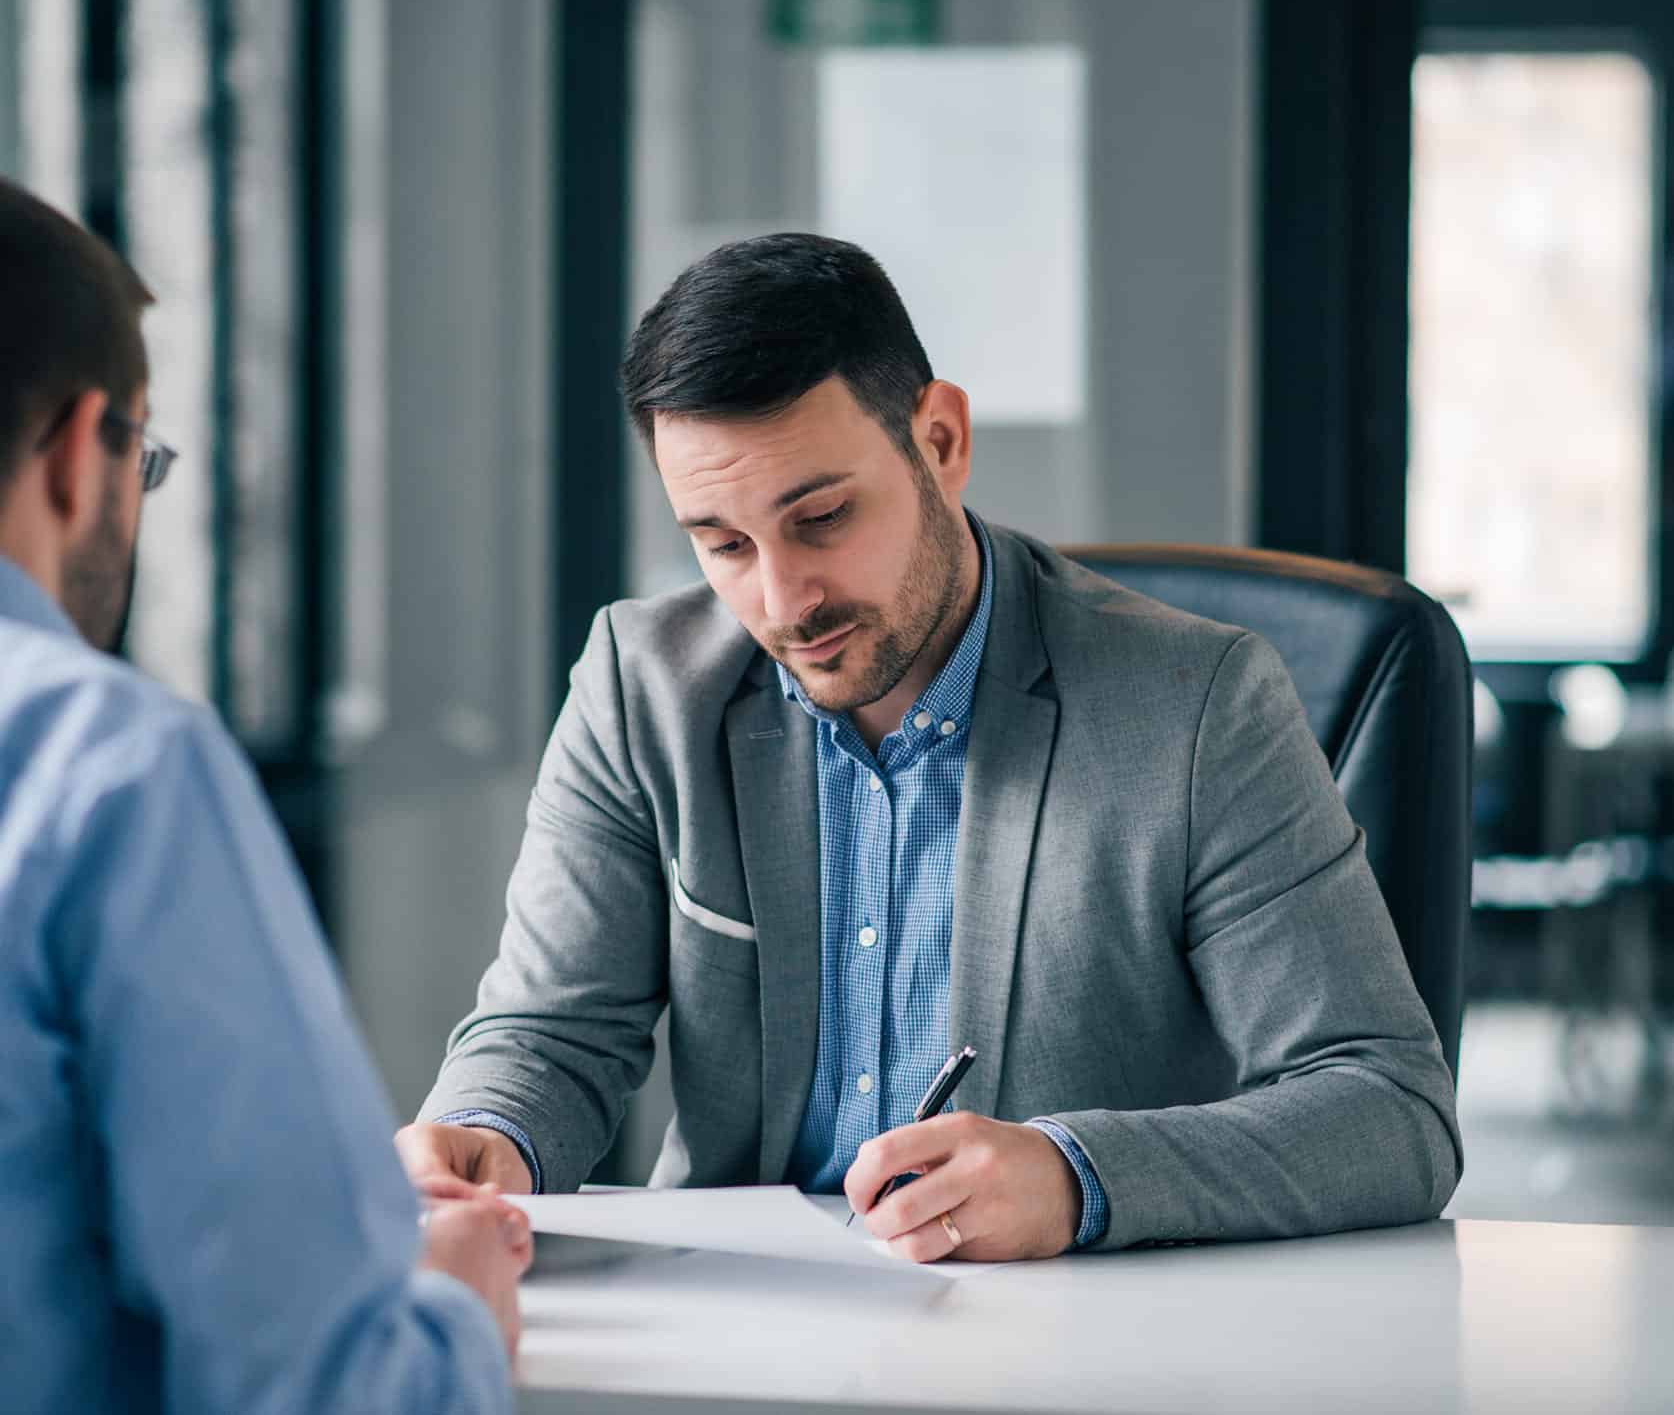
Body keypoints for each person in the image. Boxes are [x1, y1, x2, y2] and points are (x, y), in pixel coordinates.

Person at [399, 233, 1461, 1262]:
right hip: (736, 1335)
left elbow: (1389, 1109)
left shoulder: (1198, 706)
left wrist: (1076, 1178)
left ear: (941, 442)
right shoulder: (643, 688)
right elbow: (549, 1033)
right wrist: (490, 1134)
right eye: (722, 544)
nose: (781, 601)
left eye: (820, 518)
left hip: (1076, 1342)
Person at [0, 177, 531, 1412]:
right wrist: (449, 1301)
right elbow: (324, 1386)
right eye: (150, 455)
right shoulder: (107, 763)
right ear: (86, 451)